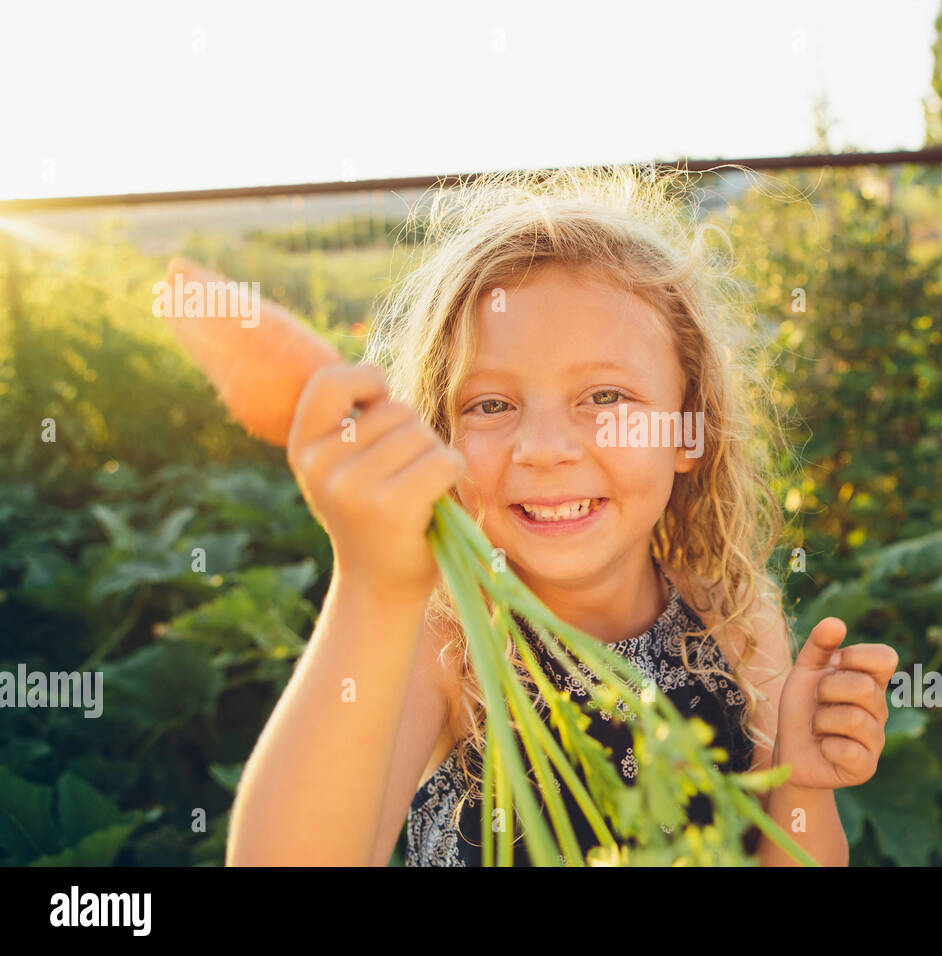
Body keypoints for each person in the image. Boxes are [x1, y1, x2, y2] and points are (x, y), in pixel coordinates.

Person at [226, 165, 897, 867]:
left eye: (606, 397)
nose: (544, 449)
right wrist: (372, 585)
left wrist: (805, 783)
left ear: (688, 433)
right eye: (491, 405)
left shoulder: (733, 621)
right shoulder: (445, 651)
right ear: (439, 436)